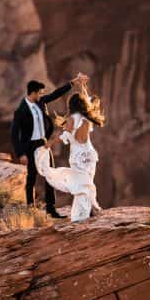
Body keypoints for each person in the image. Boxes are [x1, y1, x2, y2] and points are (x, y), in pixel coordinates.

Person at [10, 73, 89, 218]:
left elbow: (56, 94)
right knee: (32, 177)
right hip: (30, 146)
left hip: (43, 143)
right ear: (32, 93)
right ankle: (30, 209)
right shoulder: (20, 111)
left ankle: (51, 209)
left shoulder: (41, 102)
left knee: (50, 174)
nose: (41, 95)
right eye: (39, 93)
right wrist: (20, 153)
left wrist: (73, 83)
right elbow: (14, 134)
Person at [34, 82, 105, 222]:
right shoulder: (87, 118)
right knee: (87, 182)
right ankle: (90, 210)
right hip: (90, 155)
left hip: (78, 156)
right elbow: (88, 99)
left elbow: (63, 137)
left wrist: (49, 144)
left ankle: (81, 216)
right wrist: (83, 87)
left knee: (80, 186)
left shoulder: (71, 119)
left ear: (71, 106)